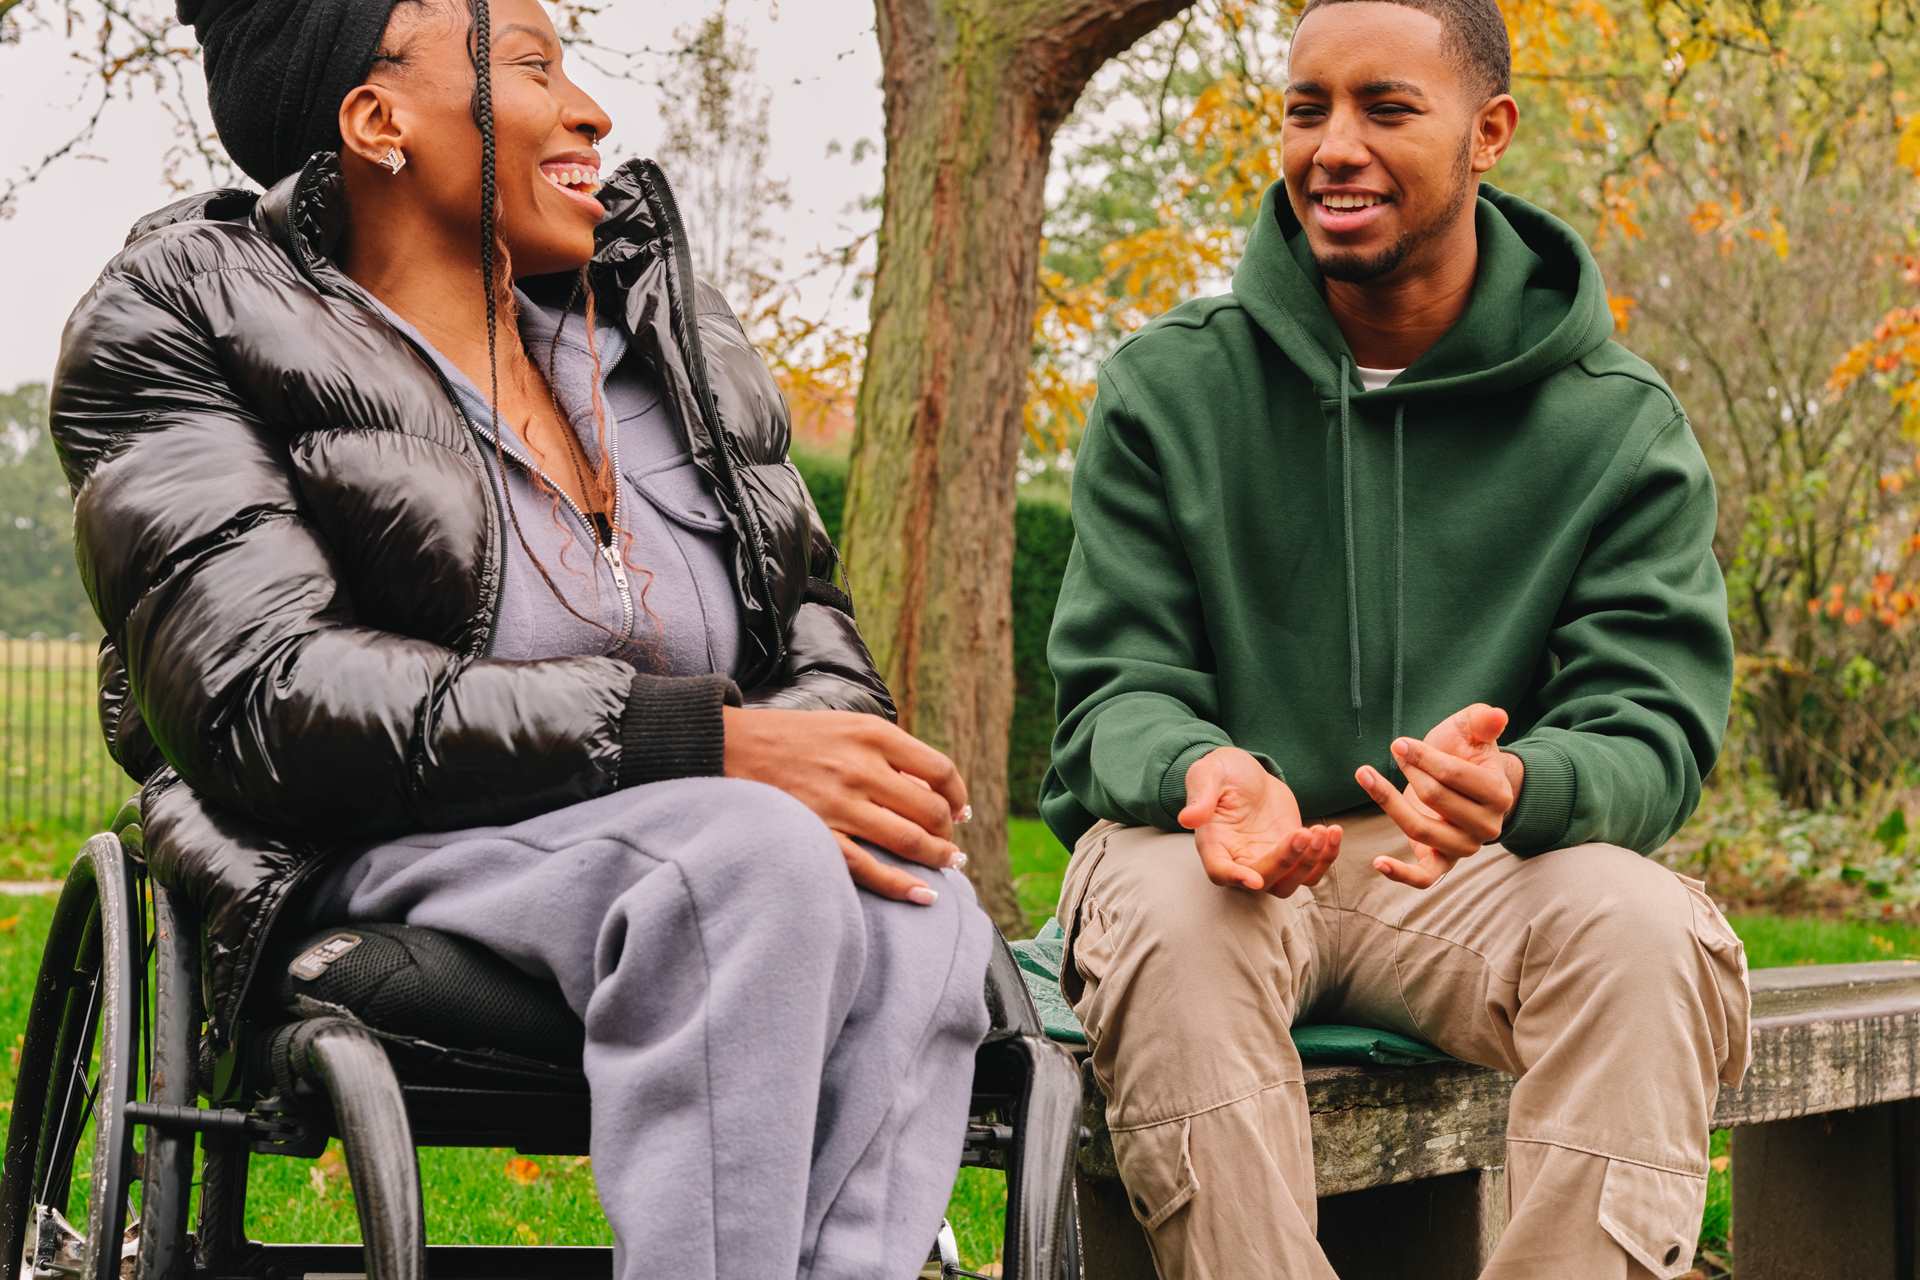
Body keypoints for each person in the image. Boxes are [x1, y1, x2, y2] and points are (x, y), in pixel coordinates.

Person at [49, 0, 993, 1276]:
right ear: (378, 119)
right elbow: (258, 696)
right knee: (753, 857)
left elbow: (803, 612)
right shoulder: (182, 318)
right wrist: (693, 742)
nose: (592, 110)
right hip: (379, 842)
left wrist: (842, 750)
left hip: (692, 829)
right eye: (535, 68)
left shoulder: (659, 328)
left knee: (916, 895)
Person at [1041, 1, 1751, 1276]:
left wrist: (1528, 781)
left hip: (1464, 879)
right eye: (1307, 108)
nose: (1334, 145)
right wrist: (1209, 770)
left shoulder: (1617, 424)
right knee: (1167, 912)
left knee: (1649, 935)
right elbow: (1115, 693)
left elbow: (1651, 725)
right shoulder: (1171, 386)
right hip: (1217, 862)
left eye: (1386, 107)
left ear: (1490, 133)